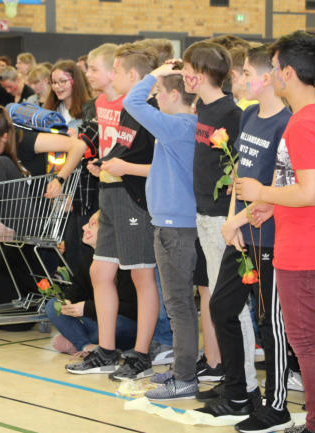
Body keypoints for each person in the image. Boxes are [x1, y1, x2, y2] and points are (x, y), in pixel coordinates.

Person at [234, 31, 315, 433]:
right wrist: (271, 204)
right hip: (307, 239)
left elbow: (310, 192)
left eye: (274, 67)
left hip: (303, 247)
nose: (270, 76)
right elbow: (304, 187)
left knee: (306, 342)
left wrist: (261, 191)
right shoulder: (313, 115)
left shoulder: (304, 122)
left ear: (286, 73)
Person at [196, 45, 295, 432]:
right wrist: (231, 220)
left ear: (266, 78)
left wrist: (238, 219)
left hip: (269, 236)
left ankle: (276, 404)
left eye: (246, 73)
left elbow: (275, 188)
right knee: (221, 306)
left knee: (270, 324)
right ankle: (239, 395)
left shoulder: (286, 123)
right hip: (241, 233)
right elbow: (239, 174)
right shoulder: (251, 114)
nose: (239, 79)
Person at [66, 43, 160, 380]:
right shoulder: (107, 106)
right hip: (109, 194)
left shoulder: (147, 110)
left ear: (131, 75)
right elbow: (118, 151)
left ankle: (142, 354)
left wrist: (122, 168)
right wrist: (103, 165)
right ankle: (106, 351)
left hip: (135, 198)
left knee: (141, 276)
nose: (90, 75)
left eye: (107, 70)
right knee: (100, 272)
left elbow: (158, 163)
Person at [118, 61, 197, 398]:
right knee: (178, 304)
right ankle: (182, 369)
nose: (155, 99)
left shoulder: (177, 125)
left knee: (179, 305)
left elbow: (131, 102)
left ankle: (186, 376)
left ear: (175, 94)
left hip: (176, 228)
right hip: (170, 224)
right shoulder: (180, 125)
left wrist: (155, 73)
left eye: (160, 93)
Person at [180, 40, 243, 382]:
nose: (184, 75)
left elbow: (241, 164)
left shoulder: (231, 113)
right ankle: (217, 363)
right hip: (202, 211)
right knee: (209, 290)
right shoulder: (201, 107)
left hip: (221, 215)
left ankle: (234, 373)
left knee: (224, 297)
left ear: (202, 74)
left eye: (188, 69)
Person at [46, 211, 137, 355]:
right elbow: (77, 288)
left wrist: (87, 308)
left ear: (108, 232)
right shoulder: (89, 257)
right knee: (53, 305)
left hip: (123, 325)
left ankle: (76, 340)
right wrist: (67, 301)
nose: (83, 227)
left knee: (116, 325)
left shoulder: (127, 263)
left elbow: (132, 309)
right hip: (96, 321)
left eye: (91, 224)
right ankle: (86, 346)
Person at [45, 60, 91, 133]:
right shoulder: (50, 111)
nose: (56, 86)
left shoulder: (89, 110)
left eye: (62, 81)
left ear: (75, 81)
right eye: (54, 82)